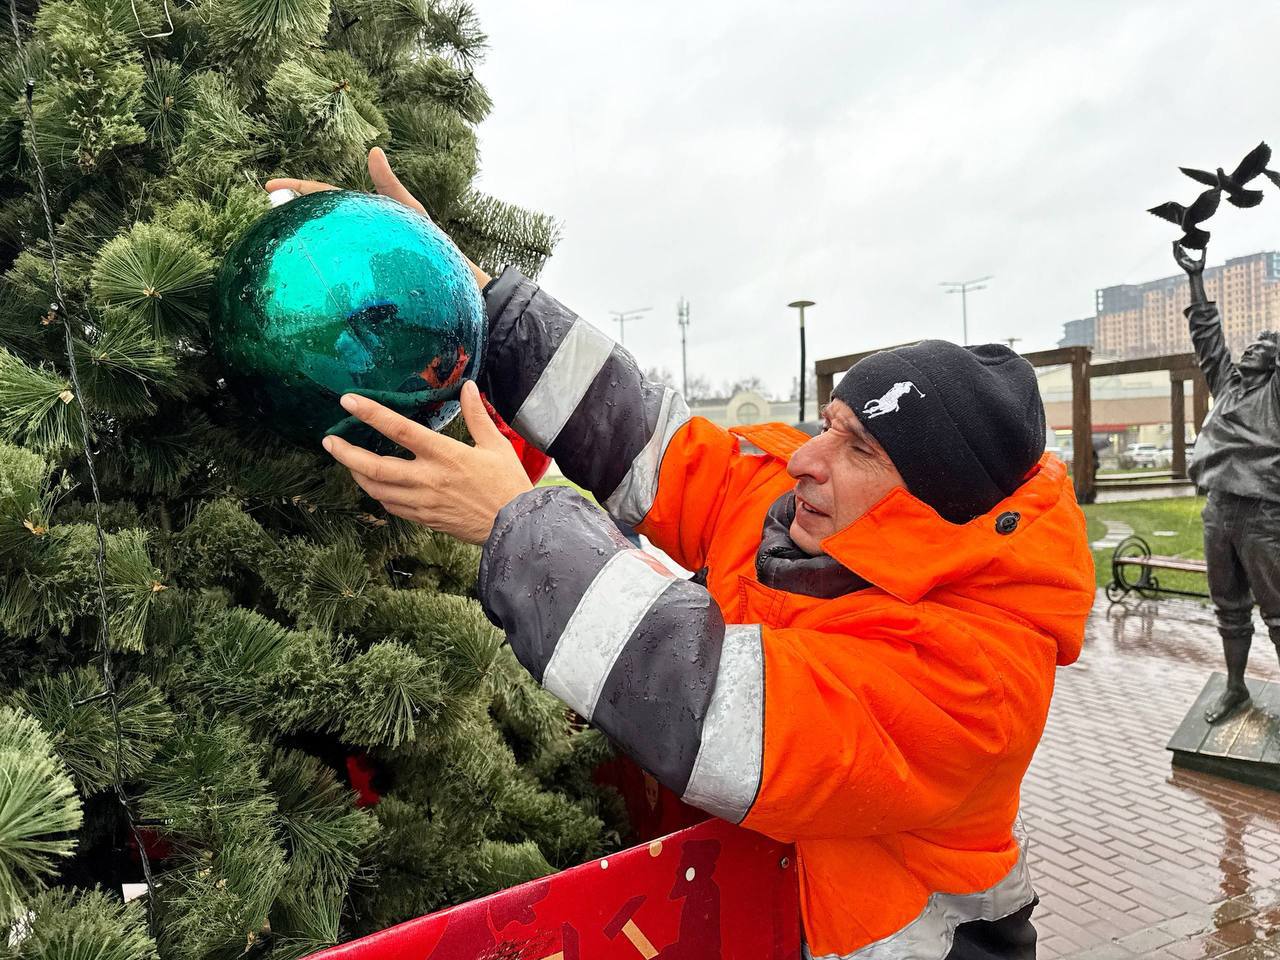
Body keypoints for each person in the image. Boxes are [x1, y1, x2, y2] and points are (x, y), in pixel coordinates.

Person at [266, 150, 1095, 960]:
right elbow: (643, 436)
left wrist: (514, 526)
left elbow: (713, 709)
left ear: (929, 506)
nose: (808, 459)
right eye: (832, 425)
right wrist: (480, 301)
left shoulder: (978, 678)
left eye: (861, 451)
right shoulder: (798, 516)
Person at [1174, 242, 1280, 724]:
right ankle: (1236, 687)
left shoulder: (1275, 395)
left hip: (1263, 512)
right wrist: (1196, 277)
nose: (1254, 345)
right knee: (1229, 608)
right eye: (1254, 341)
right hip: (1219, 507)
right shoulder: (1230, 385)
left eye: (1266, 344)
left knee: (1277, 613)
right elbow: (1207, 336)